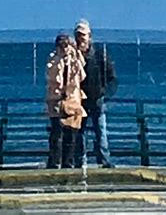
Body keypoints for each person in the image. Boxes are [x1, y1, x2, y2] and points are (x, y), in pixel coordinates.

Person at [74, 19, 118, 168]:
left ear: (89, 36)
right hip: (78, 101)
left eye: (83, 35)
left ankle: (104, 161)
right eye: (78, 35)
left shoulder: (100, 54)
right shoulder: (72, 56)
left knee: (101, 132)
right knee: (79, 133)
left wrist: (104, 93)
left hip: (97, 99)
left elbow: (111, 76)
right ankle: (80, 162)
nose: (80, 38)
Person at [45, 33, 87, 169]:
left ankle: (68, 162)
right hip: (56, 101)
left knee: (71, 133)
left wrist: (75, 55)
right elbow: (52, 76)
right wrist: (60, 60)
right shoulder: (53, 61)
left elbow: (81, 76)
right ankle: (55, 162)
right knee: (57, 133)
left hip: (72, 100)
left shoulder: (75, 60)